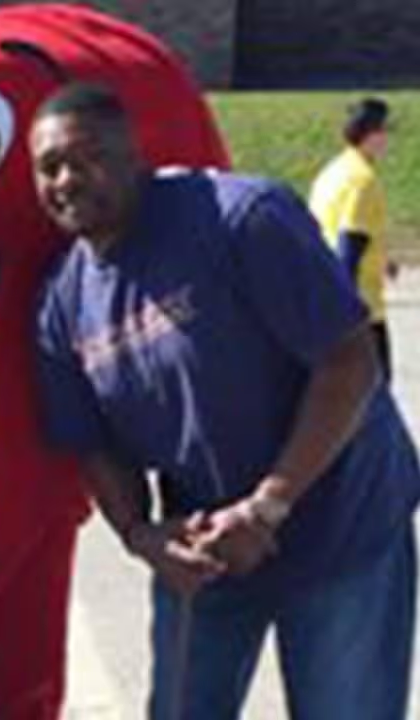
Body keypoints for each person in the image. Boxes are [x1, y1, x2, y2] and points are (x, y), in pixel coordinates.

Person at [30, 82, 420, 720]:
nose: (66, 179)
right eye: (49, 167)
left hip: (340, 525)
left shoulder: (238, 218)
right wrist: (141, 534)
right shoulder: (60, 303)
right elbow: (91, 442)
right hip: (210, 546)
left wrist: (268, 506)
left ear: (134, 153)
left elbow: (351, 361)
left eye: (88, 156)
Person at [310, 97, 397, 378]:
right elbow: (349, 247)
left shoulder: (333, 171)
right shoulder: (362, 181)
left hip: (325, 297)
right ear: (369, 134)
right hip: (361, 312)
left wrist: (383, 260)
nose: (387, 138)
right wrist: (348, 317)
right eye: (384, 129)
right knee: (375, 394)